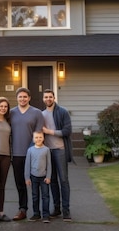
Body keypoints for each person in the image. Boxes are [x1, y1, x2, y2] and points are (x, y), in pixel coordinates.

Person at [10, 87, 45, 221]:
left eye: (25, 96)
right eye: (20, 97)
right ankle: (22, 209)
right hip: (17, 154)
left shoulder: (36, 113)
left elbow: (38, 134)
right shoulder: (11, 113)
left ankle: (38, 211)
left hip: (33, 153)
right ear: (17, 98)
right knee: (20, 184)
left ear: (29, 98)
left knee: (37, 183)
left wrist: (33, 151)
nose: (23, 99)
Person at [41, 89, 74, 222]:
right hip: (47, 151)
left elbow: (67, 131)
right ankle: (56, 208)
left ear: (54, 98)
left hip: (60, 150)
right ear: (43, 99)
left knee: (64, 180)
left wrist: (49, 131)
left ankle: (66, 210)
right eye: (46, 97)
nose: (48, 99)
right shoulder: (41, 114)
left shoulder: (62, 112)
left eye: (50, 97)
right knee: (52, 181)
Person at [24, 131, 52, 223]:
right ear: (33, 139)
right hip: (34, 177)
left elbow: (49, 165)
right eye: (36, 137)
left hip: (44, 177)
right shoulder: (30, 150)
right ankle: (36, 214)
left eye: (40, 137)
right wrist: (27, 178)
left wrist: (48, 176)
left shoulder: (46, 150)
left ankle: (46, 215)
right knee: (35, 196)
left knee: (45, 197)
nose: (38, 139)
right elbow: (27, 165)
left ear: (43, 138)